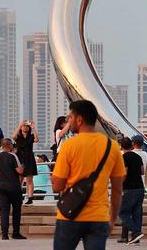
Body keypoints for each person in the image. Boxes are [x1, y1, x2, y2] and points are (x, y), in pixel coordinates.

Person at [51, 100, 126, 249]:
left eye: (70, 117)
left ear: (80, 120)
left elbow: (57, 186)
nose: (69, 121)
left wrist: (53, 179)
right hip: (98, 217)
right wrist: (112, 220)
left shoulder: (69, 146)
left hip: (69, 215)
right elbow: (118, 190)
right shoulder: (112, 146)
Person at [0, 138, 26, 240]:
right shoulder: (13, 156)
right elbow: (20, 171)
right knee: (16, 210)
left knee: (4, 211)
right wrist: (23, 166)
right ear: (10, 145)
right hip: (13, 186)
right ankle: (15, 233)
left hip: (1, 186)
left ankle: (4, 234)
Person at [118, 137, 145, 245]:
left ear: (121, 146)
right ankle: (136, 237)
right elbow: (142, 171)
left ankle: (135, 231)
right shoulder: (138, 157)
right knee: (136, 213)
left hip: (130, 188)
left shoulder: (124, 157)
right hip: (140, 187)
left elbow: (124, 173)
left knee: (122, 212)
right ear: (131, 145)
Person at [13, 120, 39, 205]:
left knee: (29, 180)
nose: (25, 127)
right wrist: (19, 125)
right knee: (19, 180)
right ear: (21, 128)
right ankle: (18, 197)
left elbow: (37, 139)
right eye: (24, 126)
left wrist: (34, 128)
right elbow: (13, 136)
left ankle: (30, 198)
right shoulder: (18, 136)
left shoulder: (31, 136)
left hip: (29, 159)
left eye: (27, 126)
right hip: (20, 159)